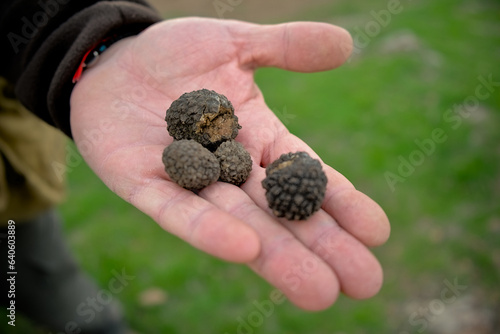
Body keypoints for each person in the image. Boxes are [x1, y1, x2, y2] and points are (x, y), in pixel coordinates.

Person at [1, 0, 391, 332]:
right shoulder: (200, 143)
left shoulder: (219, 139)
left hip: (14, 195)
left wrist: (95, 36)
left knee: (44, 275)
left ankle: (98, 325)